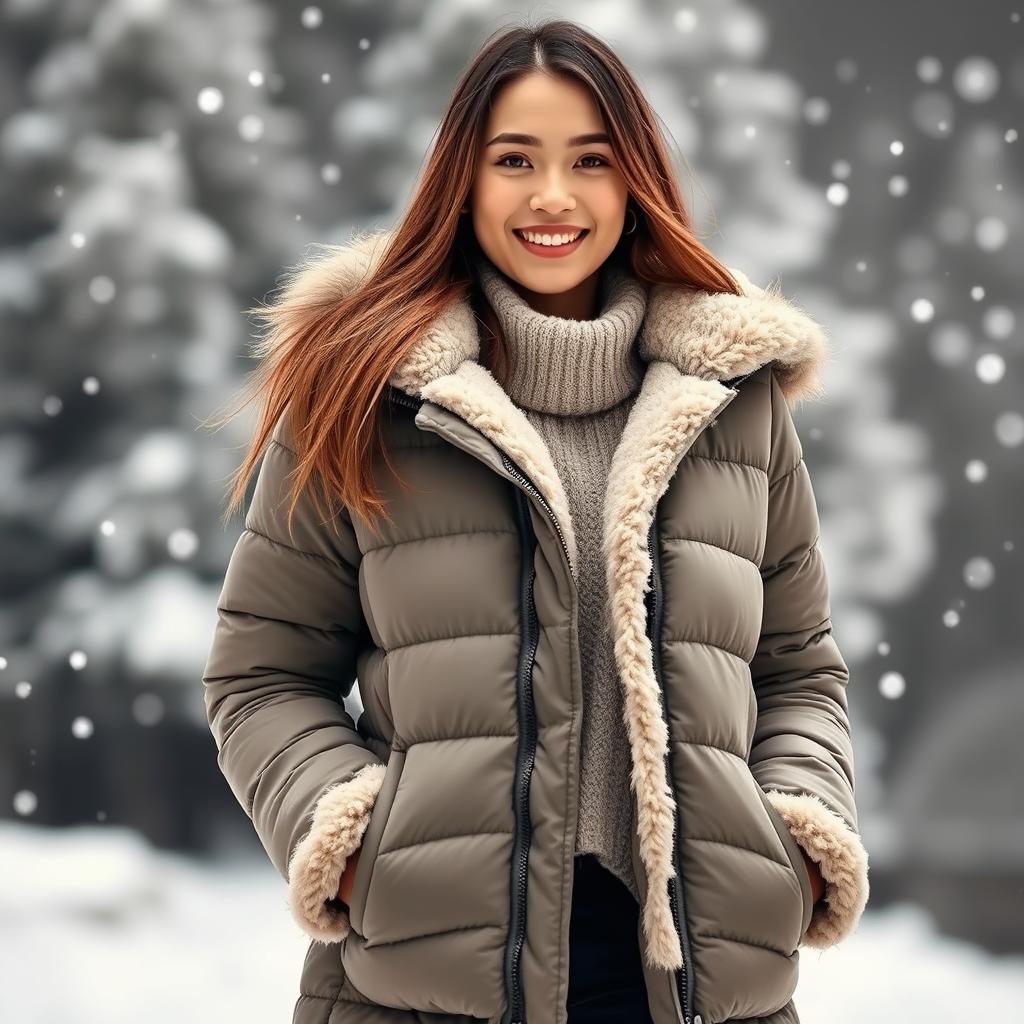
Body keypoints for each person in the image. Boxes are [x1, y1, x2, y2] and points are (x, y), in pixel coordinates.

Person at [202, 18, 868, 1024]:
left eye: (590, 161)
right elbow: (263, 674)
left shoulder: (733, 399)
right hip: (426, 981)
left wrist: (797, 829)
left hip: (696, 984)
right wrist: (351, 830)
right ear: (461, 181)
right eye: (514, 159)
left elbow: (797, 669)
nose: (552, 197)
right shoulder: (364, 390)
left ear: (632, 180)